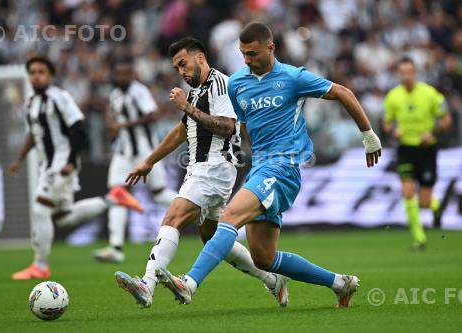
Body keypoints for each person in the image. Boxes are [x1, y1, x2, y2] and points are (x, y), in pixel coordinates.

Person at [155, 22, 382, 308]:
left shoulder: (293, 77)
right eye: (242, 54)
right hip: (260, 167)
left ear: (270, 47)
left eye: (251, 53)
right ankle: (340, 283)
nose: (246, 60)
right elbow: (242, 126)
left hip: (284, 167)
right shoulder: (237, 83)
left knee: (228, 220)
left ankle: (189, 283)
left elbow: (344, 93)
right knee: (264, 257)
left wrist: (369, 136)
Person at [114, 37, 289, 308]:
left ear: (200, 58)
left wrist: (186, 107)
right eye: (176, 68)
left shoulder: (222, 84)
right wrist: (150, 161)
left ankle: (146, 284)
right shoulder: (196, 91)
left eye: (183, 64)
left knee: (173, 216)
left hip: (215, 166)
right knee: (213, 238)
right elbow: (182, 131)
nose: (181, 72)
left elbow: (228, 127)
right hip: (202, 168)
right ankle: (272, 280)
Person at [10, 56, 143, 280]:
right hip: (48, 165)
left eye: (41, 71)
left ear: (50, 75)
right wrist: (19, 158)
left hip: (61, 162)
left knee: (40, 208)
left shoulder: (59, 97)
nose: (36, 76)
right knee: (63, 217)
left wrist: (70, 160)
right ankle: (114, 198)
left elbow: (79, 129)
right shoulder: (31, 102)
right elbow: (34, 134)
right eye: (32, 72)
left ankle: (40, 265)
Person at [92, 63, 177, 263]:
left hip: (145, 150)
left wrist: (123, 125)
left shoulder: (139, 91)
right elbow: (113, 122)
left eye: (125, 73)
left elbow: (153, 115)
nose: (122, 76)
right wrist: (114, 131)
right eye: (118, 73)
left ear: (131, 74)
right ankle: (115, 247)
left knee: (159, 194)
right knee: (116, 195)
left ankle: (199, 207)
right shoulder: (114, 95)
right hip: (123, 152)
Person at [383, 57, 451, 249]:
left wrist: (433, 133)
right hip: (405, 149)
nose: (406, 76)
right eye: (402, 73)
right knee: (407, 192)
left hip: (427, 149)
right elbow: (386, 122)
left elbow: (446, 119)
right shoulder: (393, 96)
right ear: (399, 74)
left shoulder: (430, 94)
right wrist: (392, 130)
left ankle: (436, 209)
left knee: (426, 201)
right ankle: (419, 238)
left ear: (415, 73)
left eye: (409, 72)